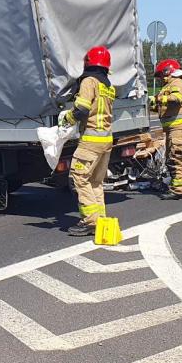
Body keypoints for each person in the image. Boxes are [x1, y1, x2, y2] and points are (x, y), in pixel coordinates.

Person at [60, 46, 118, 237]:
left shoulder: (89, 81)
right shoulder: (108, 86)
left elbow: (82, 109)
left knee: (79, 177)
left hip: (91, 140)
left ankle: (90, 221)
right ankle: (100, 219)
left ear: (88, 62)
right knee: (96, 181)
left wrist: (68, 118)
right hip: (106, 138)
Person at [150, 59, 182, 200]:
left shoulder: (177, 83)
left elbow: (176, 98)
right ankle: (177, 187)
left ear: (167, 72)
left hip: (179, 129)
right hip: (174, 129)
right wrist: (154, 105)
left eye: (161, 75)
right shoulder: (170, 85)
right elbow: (168, 105)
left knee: (176, 159)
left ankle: (179, 190)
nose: (160, 79)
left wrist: (159, 99)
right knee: (171, 159)